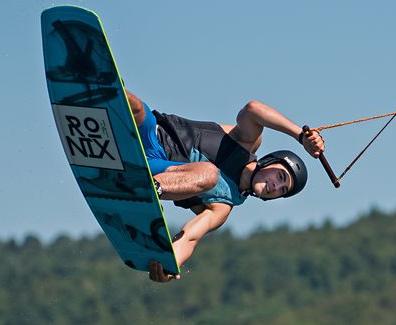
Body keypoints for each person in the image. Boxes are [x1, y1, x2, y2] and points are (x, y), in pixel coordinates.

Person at [125, 91, 325, 283]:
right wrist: (301, 136)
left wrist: (171, 265)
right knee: (136, 106)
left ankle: (142, 188)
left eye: (283, 190)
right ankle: (96, 84)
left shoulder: (222, 205)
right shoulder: (245, 142)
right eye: (280, 176)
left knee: (210, 174)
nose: (276, 186)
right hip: (151, 134)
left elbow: (190, 238)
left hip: (149, 169)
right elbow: (253, 109)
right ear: (269, 161)